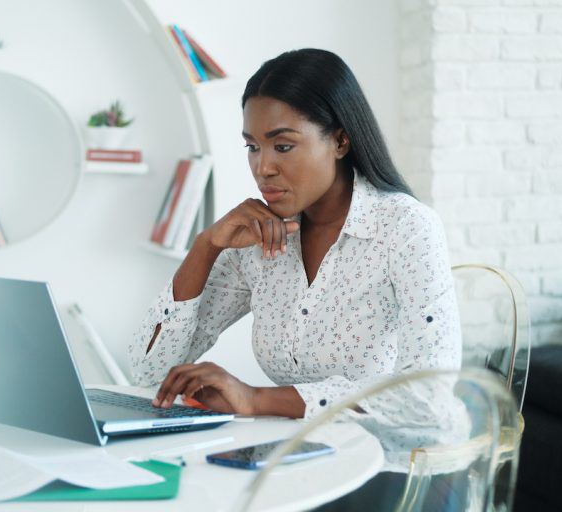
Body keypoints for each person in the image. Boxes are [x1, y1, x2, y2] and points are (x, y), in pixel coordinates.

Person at [129, 48, 463, 508]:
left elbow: (428, 399)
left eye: (282, 145)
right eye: (252, 145)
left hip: (395, 471)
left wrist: (257, 399)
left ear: (340, 141)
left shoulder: (405, 229)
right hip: (302, 465)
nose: (263, 166)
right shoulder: (260, 240)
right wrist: (205, 246)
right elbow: (148, 371)